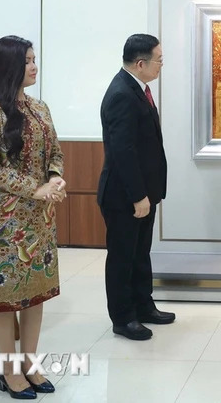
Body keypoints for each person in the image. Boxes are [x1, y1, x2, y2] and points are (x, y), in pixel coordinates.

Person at [0, 35, 66, 398]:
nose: (34, 65)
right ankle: (8, 371)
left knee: (35, 295)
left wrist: (55, 177)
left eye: (34, 58)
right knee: (6, 298)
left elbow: (55, 151)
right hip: (4, 223)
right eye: (27, 60)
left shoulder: (40, 108)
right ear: (9, 66)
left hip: (40, 219)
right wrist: (35, 188)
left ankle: (29, 363)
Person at [98, 33, 173, 341]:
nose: (161, 65)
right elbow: (122, 151)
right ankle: (123, 318)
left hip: (143, 192)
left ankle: (144, 306)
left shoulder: (138, 89)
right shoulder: (121, 94)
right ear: (141, 63)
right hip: (124, 196)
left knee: (141, 253)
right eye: (159, 60)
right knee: (122, 256)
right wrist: (138, 196)